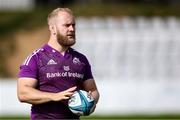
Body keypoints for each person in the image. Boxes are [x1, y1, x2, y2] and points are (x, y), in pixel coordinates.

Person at [17, 7, 99, 120]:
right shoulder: (36, 58)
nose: (72, 29)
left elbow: (93, 90)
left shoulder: (81, 59)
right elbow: (23, 93)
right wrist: (54, 96)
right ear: (52, 28)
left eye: (73, 25)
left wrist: (91, 102)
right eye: (66, 25)